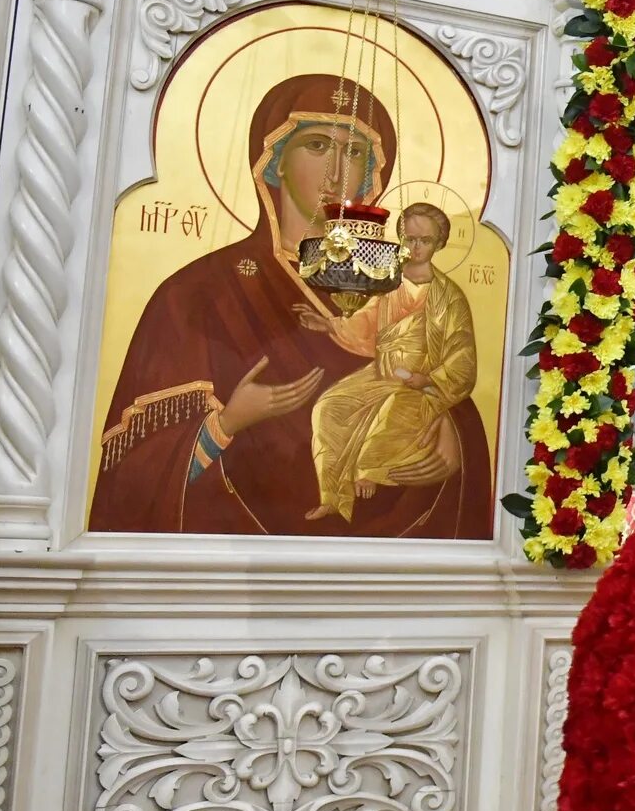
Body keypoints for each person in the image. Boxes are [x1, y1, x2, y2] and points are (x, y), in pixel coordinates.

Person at [90, 75, 492, 539]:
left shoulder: (399, 285)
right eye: (318, 146)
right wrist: (226, 423)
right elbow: (130, 476)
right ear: (273, 162)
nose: (338, 172)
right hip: (233, 558)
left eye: (356, 152)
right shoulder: (196, 294)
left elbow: (447, 374)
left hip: (390, 560)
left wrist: (449, 431)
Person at [302, 203, 478, 522]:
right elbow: (365, 324)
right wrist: (330, 324)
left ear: (439, 243)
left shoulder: (449, 297)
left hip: (420, 382)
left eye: (425, 240)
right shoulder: (388, 285)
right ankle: (332, 496)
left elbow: (461, 354)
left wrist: (428, 380)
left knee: (393, 408)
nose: (416, 247)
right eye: (409, 239)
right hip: (380, 373)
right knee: (328, 406)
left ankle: (368, 471)